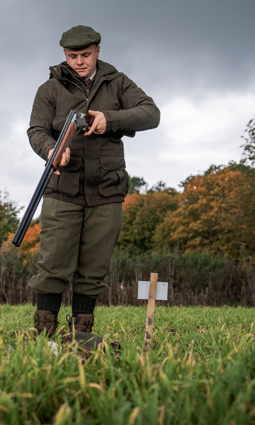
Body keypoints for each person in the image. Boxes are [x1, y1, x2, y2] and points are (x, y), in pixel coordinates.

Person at [26, 25, 160, 335]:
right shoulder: (49, 90)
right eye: (73, 56)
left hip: (107, 190)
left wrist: (109, 119)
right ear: (64, 55)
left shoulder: (118, 83)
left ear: (98, 52)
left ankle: (82, 336)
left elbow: (151, 113)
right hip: (62, 189)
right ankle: (44, 334)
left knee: (94, 268)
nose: (79, 62)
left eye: (85, 55)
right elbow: (36, 131)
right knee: (53, 263)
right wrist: (51, 151)